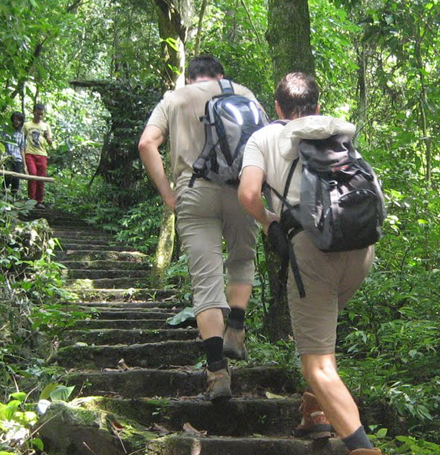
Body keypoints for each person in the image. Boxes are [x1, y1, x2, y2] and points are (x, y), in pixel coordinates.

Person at [238, 72, 382, 455]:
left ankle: (362, 448)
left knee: (317, 365)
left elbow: (249, 192)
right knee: (323, 342)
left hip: (314, 252)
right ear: (316, 107)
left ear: (278, 108)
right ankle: (315, 412)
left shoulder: (264, 137)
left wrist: (269, 221)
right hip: (361, 247)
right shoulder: (334, 132)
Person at [138, 56, 263, 401]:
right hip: (241, 189)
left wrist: (168, 194)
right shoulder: (244, 93)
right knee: (241, 258)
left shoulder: (175, 98)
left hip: (193, 192)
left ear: (188, 78)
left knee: (206, 281)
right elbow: (266, 143)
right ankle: (235, 328)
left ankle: (217, 371)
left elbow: (147, 143)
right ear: (220, 76)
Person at [23, 102, 54, 207]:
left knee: (41, 177)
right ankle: (31, 200)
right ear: (33, 112)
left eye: (41, 114)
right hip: (30, 153)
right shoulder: (27, 125)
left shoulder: (46, 126)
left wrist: (47, 137)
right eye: (38, 114)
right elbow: (21, 140)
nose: (39, 116)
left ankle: (39, 201)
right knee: (32, 175)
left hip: (42, 154)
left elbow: (50, 142)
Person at [2, 111, 26, 197]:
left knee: (16, 179)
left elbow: (22, 148)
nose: (17, 122)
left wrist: (24, 165)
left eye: (19, 120)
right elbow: (0, 143)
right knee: (7, 178)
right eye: (16, 119)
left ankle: (13, 198)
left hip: (17, 158)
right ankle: (2, 197)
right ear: (12, 119)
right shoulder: (5, 130)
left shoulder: (21, 134)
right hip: (7, 157)